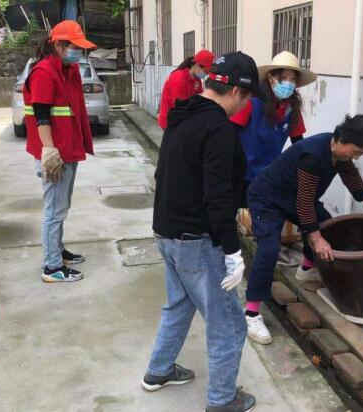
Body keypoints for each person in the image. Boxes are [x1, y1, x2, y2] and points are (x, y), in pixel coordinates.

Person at [141, 52, 265, 412]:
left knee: (179, 306)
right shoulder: (219, 129)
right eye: (248, 97)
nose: (246, 105)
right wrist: (232, 251)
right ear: (237, 93)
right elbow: (217, 196)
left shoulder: (181, 115)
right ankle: (222, 400)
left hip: (167, 233)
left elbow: (162, 175)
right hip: (196, 241)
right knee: (229, 325)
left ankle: (158, 371)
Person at [244, 115, 363, 344]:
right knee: (269, 249)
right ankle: (251, 312)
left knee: (326, 225)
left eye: (361, 153)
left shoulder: (339, 154)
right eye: (356, 151)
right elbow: (305, 204)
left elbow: (350, 176)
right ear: (343, 138)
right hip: (267, 198)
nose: (356, 157)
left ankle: (307, 269)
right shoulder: (312, 156)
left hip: (293, 197)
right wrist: (316, 239)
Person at [23, 20, 96, 282]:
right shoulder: (44, 72)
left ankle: (57, 250)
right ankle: (52, 267)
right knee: (54, 211)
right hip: (55, 152)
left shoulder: (67, 69)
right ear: (58, 45)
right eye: (74, 47)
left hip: (69, 148)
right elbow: (41, 115)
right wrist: (49, 151)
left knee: (61, 206)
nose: (78, 52)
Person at [231, 51, 317, 205]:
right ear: (270, 78)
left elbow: (298, 142)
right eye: (283, 78)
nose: (288, 83)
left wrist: (308, 168)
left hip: (268, 176)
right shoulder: (251, 102)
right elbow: (229, 133)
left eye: (293, 79)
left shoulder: (292, 108)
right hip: (240, 175)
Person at [157, 49, 215, 129]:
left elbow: (199, 97)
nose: (205, 74)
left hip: (184, 118)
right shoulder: (178, 78)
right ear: (197, 66)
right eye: (205, 71)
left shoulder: (196, 78)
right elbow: (180, 106)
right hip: (171, 120)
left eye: (207, 73)